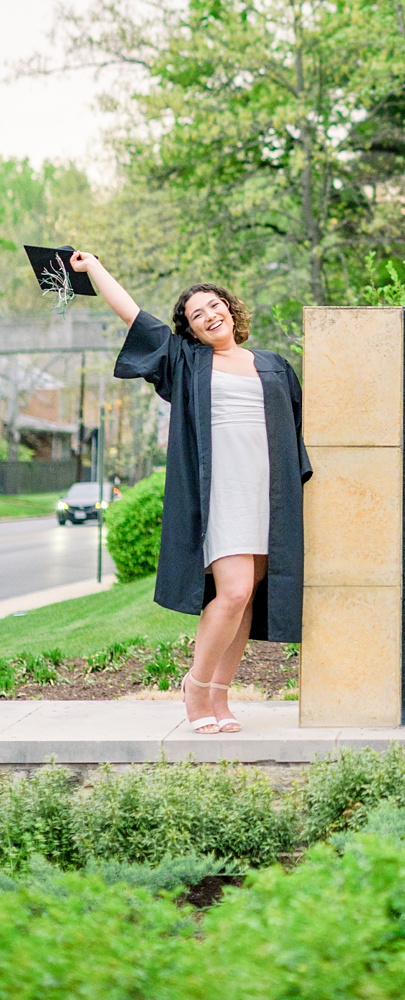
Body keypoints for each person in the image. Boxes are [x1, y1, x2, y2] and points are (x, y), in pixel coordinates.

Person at [74, 253, 309, 735]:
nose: (210, 315)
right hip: (220, 489)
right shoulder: (188, 363)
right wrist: (93, 267)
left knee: (246, 600)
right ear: (192, 332)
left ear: (231, 310)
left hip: (268, 493)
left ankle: (221, 697)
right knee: (234, 590)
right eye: (197, 315)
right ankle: (196, 685)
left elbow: (296, 428)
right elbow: (134, 316)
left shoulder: (275, 365)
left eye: (215, 305)